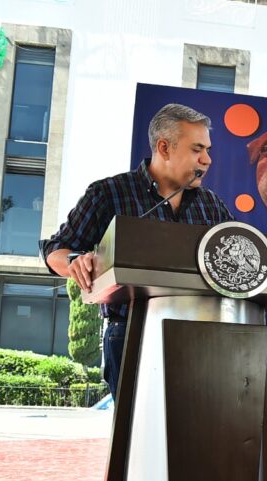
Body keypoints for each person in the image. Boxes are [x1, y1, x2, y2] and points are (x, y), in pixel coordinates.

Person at [40, 103, 234, 400]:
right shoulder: (108, 193)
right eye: (197, 149)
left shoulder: (212, 204)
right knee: (136, 427)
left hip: (200, 334)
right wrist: (74, 261)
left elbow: (240, 252)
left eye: (207, 150)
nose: (207, 160)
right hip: (130, 332)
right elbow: (55, 249)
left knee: (195, 427)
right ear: (164, 147)